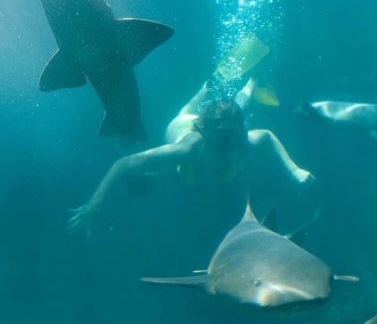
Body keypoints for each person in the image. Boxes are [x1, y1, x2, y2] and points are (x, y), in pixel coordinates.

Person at [68, 80, 314, 235]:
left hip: (213, 142)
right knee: (176, 166)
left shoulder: (240, 138)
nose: (228, 142)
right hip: (182, 126)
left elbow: (268, 137)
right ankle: (202, 91)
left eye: (234, 134)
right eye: (221, 136)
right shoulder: (186, 149)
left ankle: (247, 89)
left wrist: (294, 170)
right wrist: (94, 205)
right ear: (204, 131)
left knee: (235, 109)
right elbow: (123, 164)